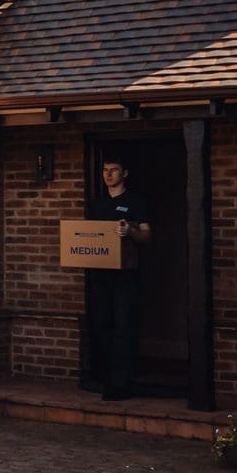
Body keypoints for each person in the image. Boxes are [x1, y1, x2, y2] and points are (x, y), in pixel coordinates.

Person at [86, 156, 152, 401]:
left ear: (125, 173)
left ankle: (121, 383)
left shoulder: (136, 202)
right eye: (105, 170)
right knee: (102, 324)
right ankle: (104, 379)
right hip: (99, 275)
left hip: (126, 276)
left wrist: (130, 231)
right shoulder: (97, 204)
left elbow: (147, 236)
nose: (108, 175)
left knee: (124, 326)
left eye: (114, 170)